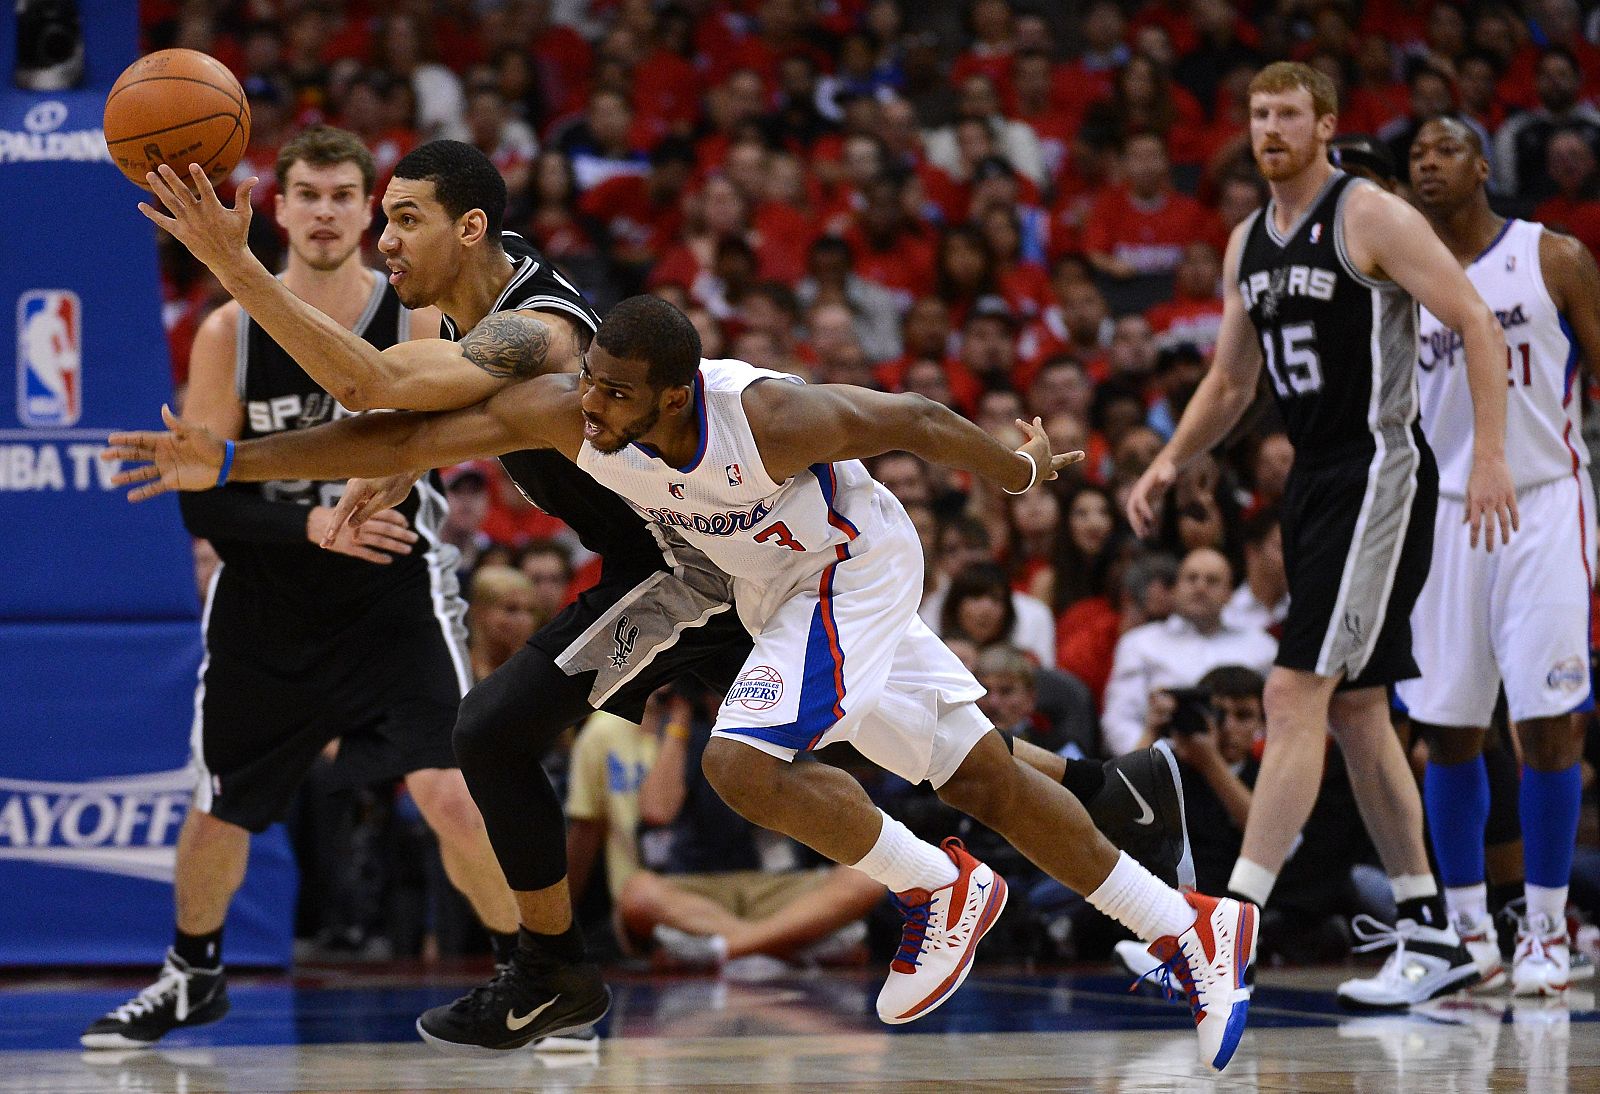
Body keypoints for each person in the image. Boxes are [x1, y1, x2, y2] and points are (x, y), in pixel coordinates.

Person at [124, 142, 1201, 1052]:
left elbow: (378, 396)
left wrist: (232, 264)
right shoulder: (465, 325)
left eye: (401, 218)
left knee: (495, 729)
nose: (381, 239)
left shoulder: (537, 333)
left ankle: (554, 967)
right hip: (719, 559)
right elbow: (400, 427)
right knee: (947, 759)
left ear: (470, 229)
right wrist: (230, 460)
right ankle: (1124, 794)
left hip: (687, 567)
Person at [81, 127, 520, 1050]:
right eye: (308, 194)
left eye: (343, 196)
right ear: (279, 209)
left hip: (393, 600)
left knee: (448, 789)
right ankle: (192, 971)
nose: (324, 211)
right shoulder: (229, 331)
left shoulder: (412, 322)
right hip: (267, 604)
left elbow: (423, 444)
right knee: (222, 804)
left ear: (371, 214)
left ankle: (531, 975)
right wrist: (308, 523)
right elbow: (202, 501)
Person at [1126, 62, 1519, 1010]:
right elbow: (1230, 383)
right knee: (1356, 711)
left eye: (1288, 114)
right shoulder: (1244, 244)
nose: (1270, 128)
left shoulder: (1369, 215)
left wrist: (1493, 456)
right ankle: (1434, 932)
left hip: (1380, 469)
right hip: (1312, 483)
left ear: (1325, 125)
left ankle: (1226, 925)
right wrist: (1170, 460)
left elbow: (1472, 320)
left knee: (1293, 691)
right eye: (1258, 113)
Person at [1403, 115, 1600, 996]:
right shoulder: (1400, 278)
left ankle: (1550, 932)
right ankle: (1472, 934)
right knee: (1447, 729)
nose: (1428, 163)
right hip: (1443, 513)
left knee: (1549, 723)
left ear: (1483, 164)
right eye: (1416, 156)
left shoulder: (1552, 257)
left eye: (1445, 149)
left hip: (1544, 500)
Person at [1100, 547, 1277, 756]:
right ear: (1174, 589)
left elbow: (1275, 721)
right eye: (1191, 579)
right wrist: (1148, 763)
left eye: (1212, 581)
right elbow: (1119, 719)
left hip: (1245, 769)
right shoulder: (1139, 643)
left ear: (1230, 593)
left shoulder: (1263, 646)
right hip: (1163, 765)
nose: (1200, 587)